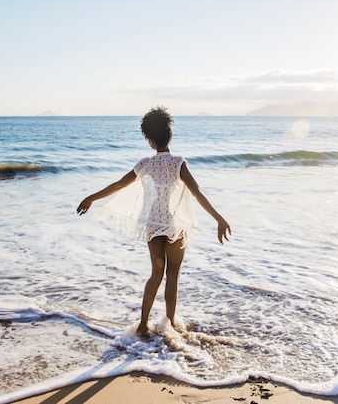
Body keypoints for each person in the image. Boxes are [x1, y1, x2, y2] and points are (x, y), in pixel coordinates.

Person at [77, 106, 231, 337]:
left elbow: (118, 184)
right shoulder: (178, 163)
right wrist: (219, 218)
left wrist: (92, 197)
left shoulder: (145, 164)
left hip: (152, 225)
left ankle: (142, 324)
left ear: (148, 139)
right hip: (174, 225)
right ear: (170, 135)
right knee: (173, 276)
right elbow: (197, 192)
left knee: (155, 275)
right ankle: (169, 325)